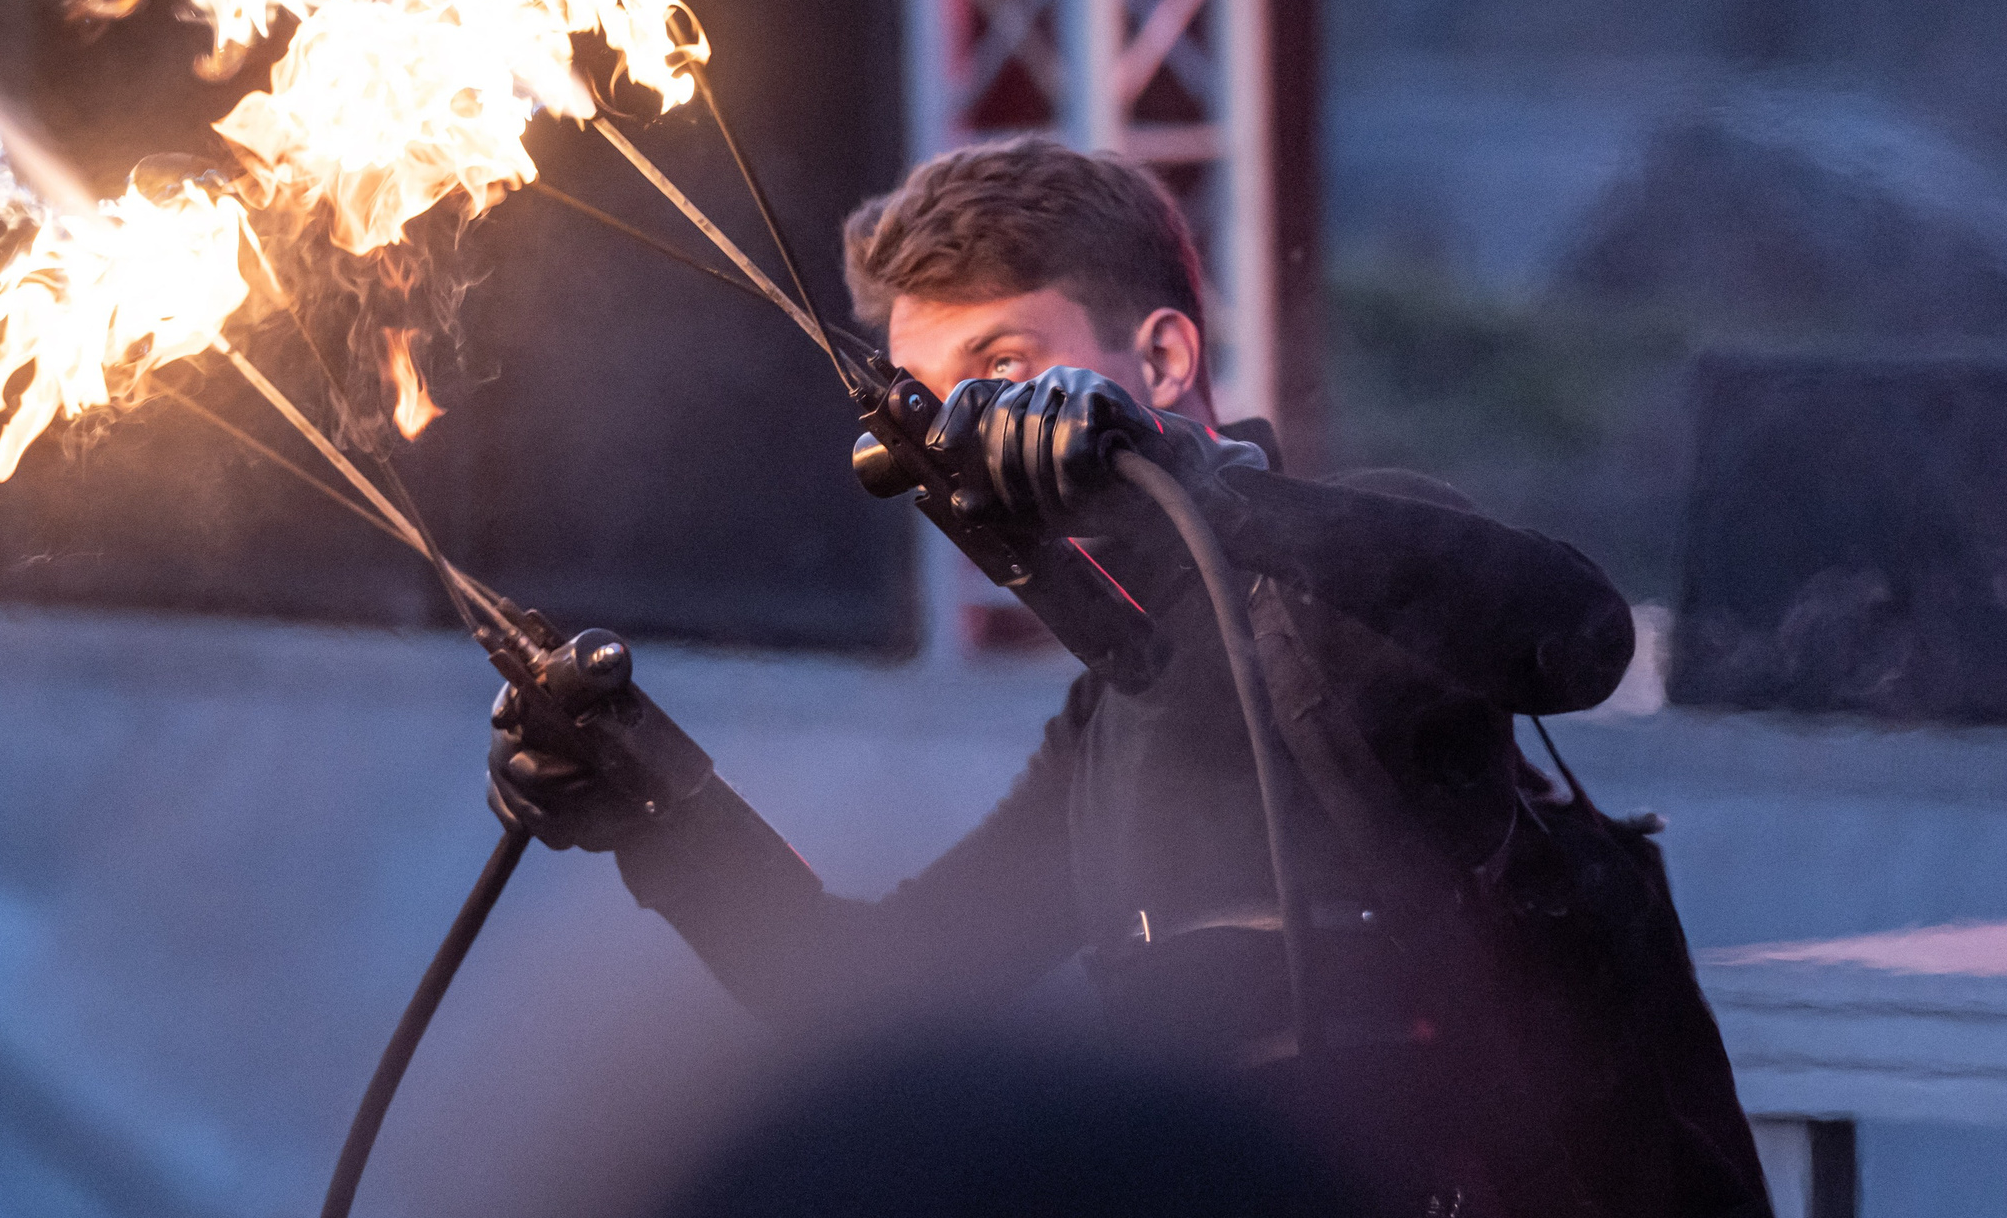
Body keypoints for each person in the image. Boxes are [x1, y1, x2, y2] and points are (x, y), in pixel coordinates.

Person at [490, 136, 1771, 1218]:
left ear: (1159, 363)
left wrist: (1200, 486)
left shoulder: (1351, 573)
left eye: (999, 371)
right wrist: (656, 811)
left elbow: (1576, 634)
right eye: (934, 403)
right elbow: (876, 989)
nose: (963, 440)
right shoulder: (1117, 704)